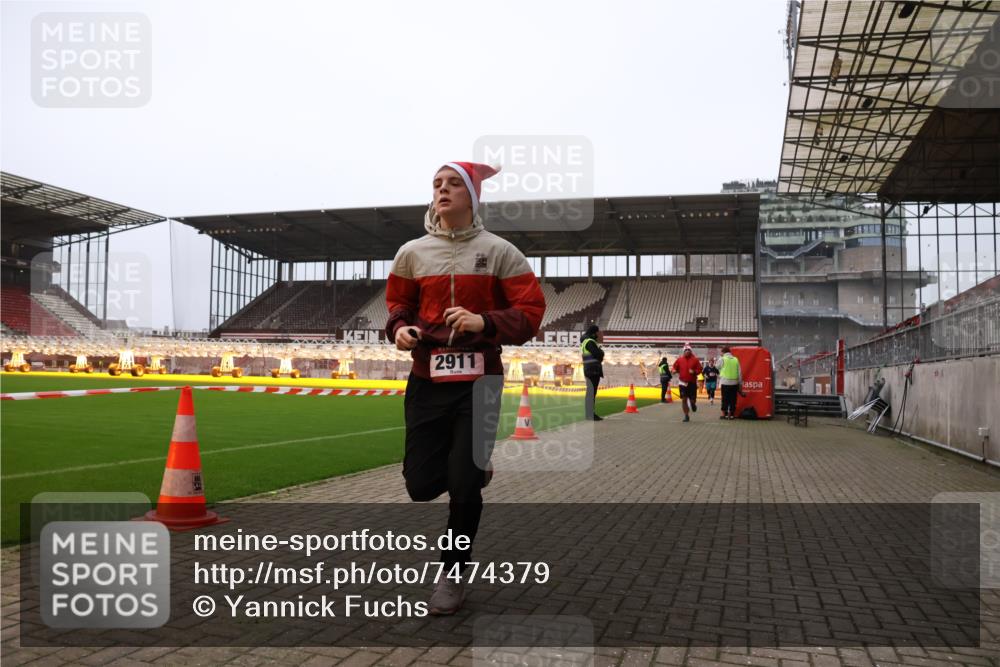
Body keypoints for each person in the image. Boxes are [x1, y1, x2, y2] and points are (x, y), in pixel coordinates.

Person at [385, 161, 546, 615]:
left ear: (473, 197)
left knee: (462, 489)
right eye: (437, 184)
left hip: (481, 384)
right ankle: (474, 472)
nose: (443, 190)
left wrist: (485, 321)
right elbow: (398, 305)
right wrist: (398, 329)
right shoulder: (411, 254)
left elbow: (531, 312)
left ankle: (452, 576)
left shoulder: (501, 252)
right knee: (419, 486)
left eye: (454, 184)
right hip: (426, 381)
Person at [671, 343, 703, 422]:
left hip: (692, 383)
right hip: (682, 383)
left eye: (689, 350)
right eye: (686, 350)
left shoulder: (695, 360)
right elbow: (674, 368)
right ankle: (686, 415)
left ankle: (693, 404)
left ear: (691, 351)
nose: (687, 351)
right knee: (684, 399)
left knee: (692, 400)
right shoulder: (679, 360)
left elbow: (700, 369)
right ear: (683, 351)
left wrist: (694, 372)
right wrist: (674, 371)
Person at [580, 323, 605, 421]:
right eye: (597, 333)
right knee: (591, 393)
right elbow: (599, 354)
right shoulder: (590, 342)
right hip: (592, 370)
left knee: (590, 393)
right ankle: (590, 414)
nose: (598, 335)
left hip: (589, 369)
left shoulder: (586, 341)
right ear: (594, 332)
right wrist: (601, 352)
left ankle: (589, 414)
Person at [718, 346, 743, 420]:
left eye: (721, 352)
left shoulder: (722, 359)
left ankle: (724, 414)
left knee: (725, 399)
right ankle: (732, 414)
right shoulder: (736, 359)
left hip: (725, 382)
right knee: (733, 399)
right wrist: (740, 383)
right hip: (734, 383)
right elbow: (740, 372)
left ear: (723, 352)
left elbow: (716, 367)